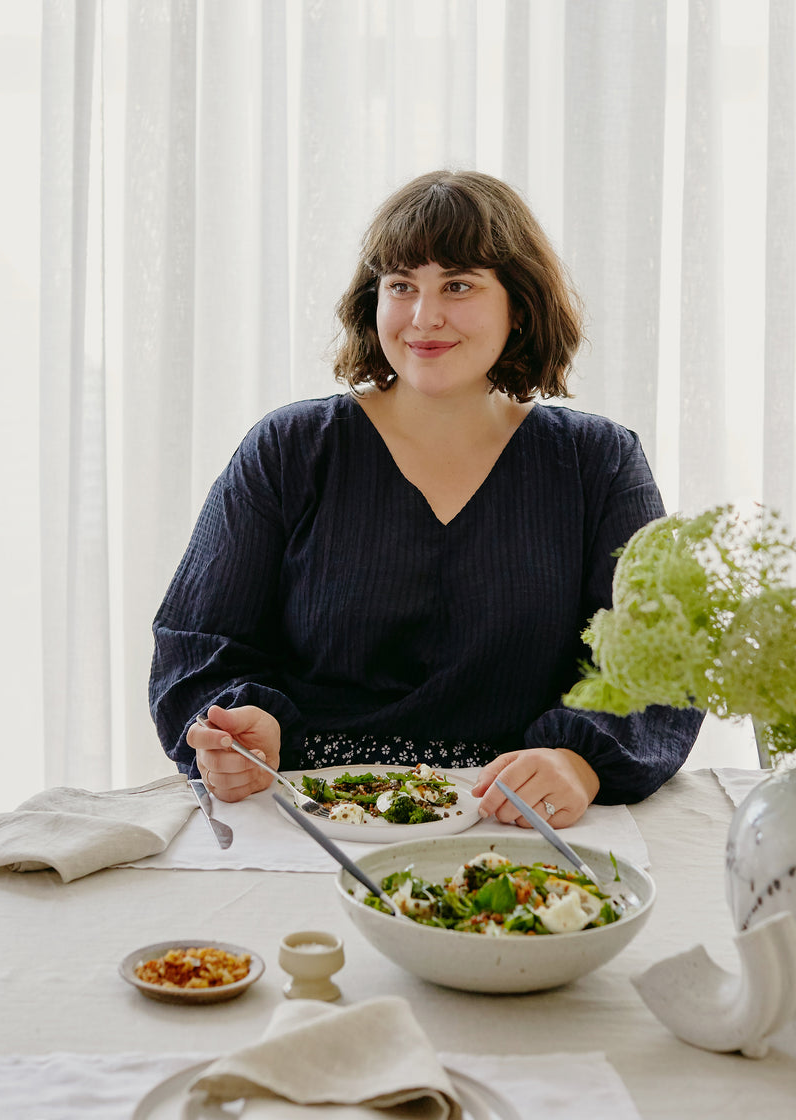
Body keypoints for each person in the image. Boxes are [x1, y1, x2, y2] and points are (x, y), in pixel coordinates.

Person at [149, 168, 703, 828]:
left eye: (458, 285)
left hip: (514, 813)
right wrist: (245, 728)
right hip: (313, 815)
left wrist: (580, 761)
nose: (424, 316)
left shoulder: (601, 463)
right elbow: (196, 645)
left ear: (518, 305)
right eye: (402, 285)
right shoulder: (288, 449)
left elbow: (665, 663)